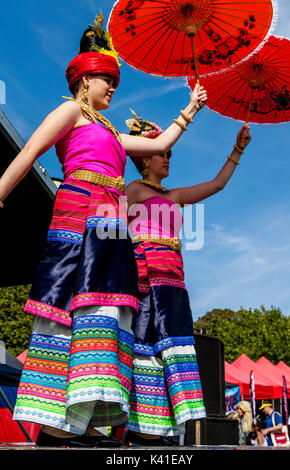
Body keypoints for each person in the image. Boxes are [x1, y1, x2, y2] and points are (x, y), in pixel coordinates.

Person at [0, 13, 206, 447]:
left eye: (114, 81)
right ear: (85, 78)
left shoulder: (110, 131)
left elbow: (158, 143)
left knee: (107, 316)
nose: (112, 88)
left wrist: (189, 108)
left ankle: (84, 421)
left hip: (112, 233)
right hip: (77, 222)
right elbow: (30, 150)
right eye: (106, 80)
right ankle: (54, 425)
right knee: (66, 313)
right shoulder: (70, 111)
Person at [124, 111, 251, 445]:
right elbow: (108, 228)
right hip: (145, 283)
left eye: (170, 154)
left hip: (174, 287)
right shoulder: (133, 190)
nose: (168, 159)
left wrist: (237, 150)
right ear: (144, 158)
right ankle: (140, 429)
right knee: (145, 349)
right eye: (163, 153)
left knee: (174, 353)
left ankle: (165, 429)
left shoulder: (175, 196)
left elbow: (217, 184)